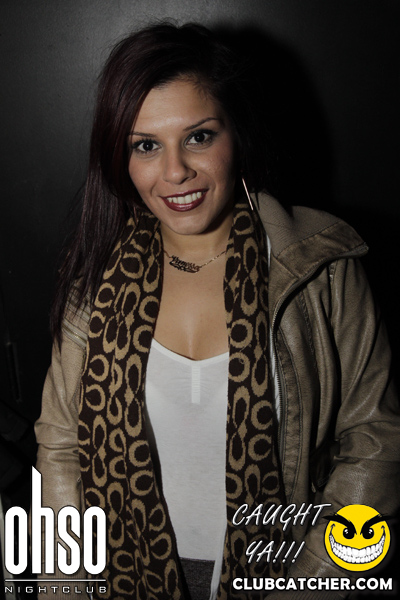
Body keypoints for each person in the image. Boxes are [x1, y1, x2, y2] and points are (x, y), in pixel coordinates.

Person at [35, 23, 400, 600]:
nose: (174, 171)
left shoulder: (320, 264)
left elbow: (375, 441)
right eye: (146, 145)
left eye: (199, 137)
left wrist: (313, 583)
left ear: (236, 133)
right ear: (120, 156)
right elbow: (61, 449)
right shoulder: (95, 279)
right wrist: (65, 588)